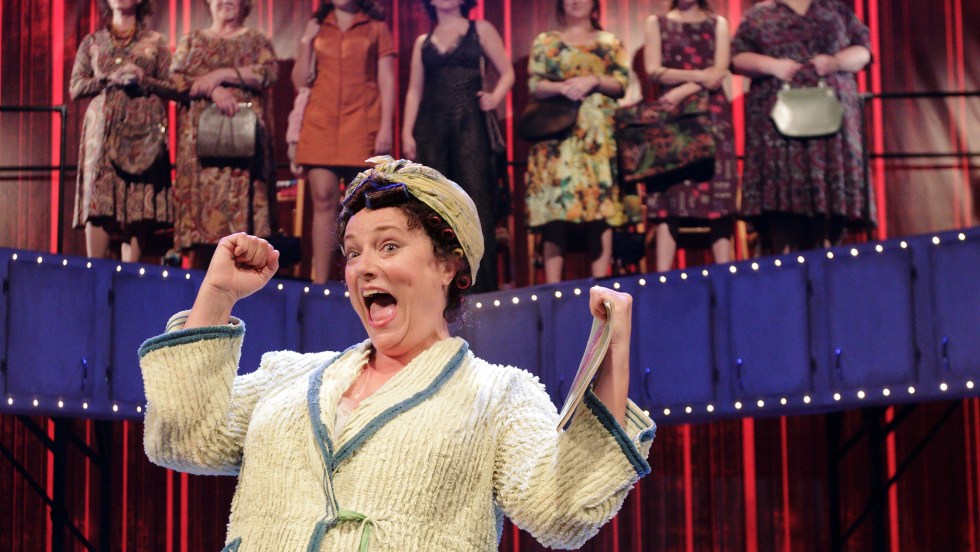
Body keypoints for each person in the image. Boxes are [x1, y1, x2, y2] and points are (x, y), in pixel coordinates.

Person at [139, 156, 655, 551]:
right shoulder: (290, 377)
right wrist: (217, 294)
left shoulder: (497, 396)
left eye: (388, 246)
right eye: (353, 252)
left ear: (448, 266)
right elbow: (184, 439)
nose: (363, 266)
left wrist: (612, 351)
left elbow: (563, 510)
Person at [731, 0, 872, 253]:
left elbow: (864, 50)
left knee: (831, 213)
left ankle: (829, 261)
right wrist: (774, 66)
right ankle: (783, 262)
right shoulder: (760, 14)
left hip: (831, 122)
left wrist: (835, 62)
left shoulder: (835, 9)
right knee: (782, 215)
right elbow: (737, 58)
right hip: (776, 123)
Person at [401, 0, 514, 293]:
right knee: (431, 205)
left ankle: (481, 287)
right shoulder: (423, 42)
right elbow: (414, 91)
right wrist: (407, 132)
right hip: (431, 129)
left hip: (470, 126)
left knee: (476, 203)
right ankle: (434, 286)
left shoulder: (480, 29)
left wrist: (495, 97)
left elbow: (508, 72)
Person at [289, 0, 396, 284]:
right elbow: (299, 81)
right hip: (320, 122)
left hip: (362, 121)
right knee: (323, 199)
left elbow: (387, 78)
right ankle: (320, 284)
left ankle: (362, 279)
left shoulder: (376, 27)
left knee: (361, 204)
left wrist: (386, 126)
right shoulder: (317, 26)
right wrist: (306, 41)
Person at [524, 0, 630, 283]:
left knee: (600, 208)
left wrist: (593, 81)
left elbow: (622, 83)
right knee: (554, 209)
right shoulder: (546, 41)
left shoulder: (609, 42)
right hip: (555, 136)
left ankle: (602, 284)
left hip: (597, 136)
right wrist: (564, 87)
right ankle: (553, 288)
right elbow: (535, 84)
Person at [169, 0, 278, 268]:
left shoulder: (256, 41)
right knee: (200, 253)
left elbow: (267, 73)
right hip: (199, 155)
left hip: (244, 152)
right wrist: (213, 90)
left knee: (244, 246)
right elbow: (175, 80)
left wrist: (221, 75)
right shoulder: (191, 41)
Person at [69, 0, 173, 262]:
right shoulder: (93, 41)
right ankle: (96, 273)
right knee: (99, 203)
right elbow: (76, 86)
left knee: (137, 203)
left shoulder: (156, 41)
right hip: (102, 131)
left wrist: (145, 79)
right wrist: (109, 78)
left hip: (142, 136)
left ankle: (131, 275)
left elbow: (174, 86)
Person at [644, 0, 738, 272]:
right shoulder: (657, 23)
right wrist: (698, 76)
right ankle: (662, 277)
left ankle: (724, 275)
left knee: (718, 193)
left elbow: (719, 72)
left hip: (712, 116)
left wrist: (683, 89)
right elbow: (654, 70)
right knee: (670, 197)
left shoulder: (718, 23)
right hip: (671, 117)